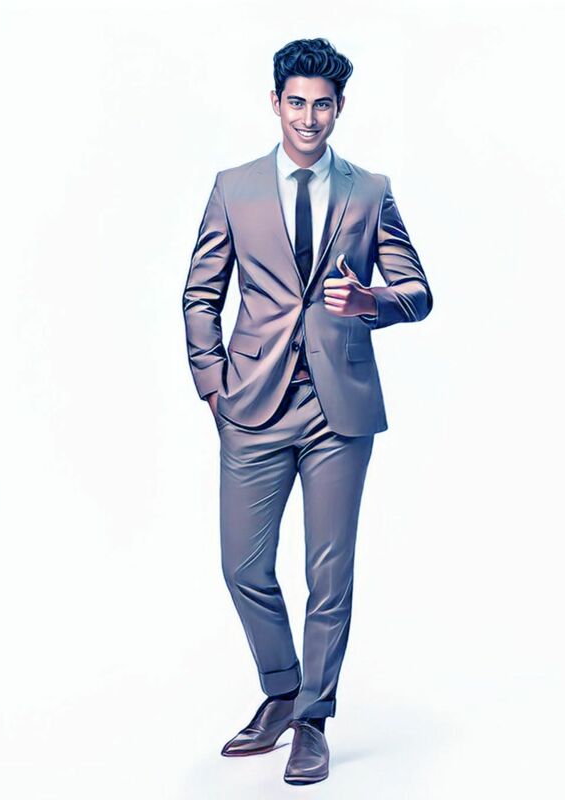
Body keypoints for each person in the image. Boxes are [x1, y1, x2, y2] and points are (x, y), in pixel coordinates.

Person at [182, 37, 433, 786]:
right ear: (275, 102)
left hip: (338, 410)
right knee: (242, 565)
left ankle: (313, 720)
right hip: (252, 405)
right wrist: (214, 386)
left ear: (339, 107)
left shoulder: (370, 190)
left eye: (323, 104)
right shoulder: (234, 188)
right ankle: (282, 690)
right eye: (297, 102)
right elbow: (201, 293)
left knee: (329, 573)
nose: (309, 117)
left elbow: (418, 291)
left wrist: (372, 302)